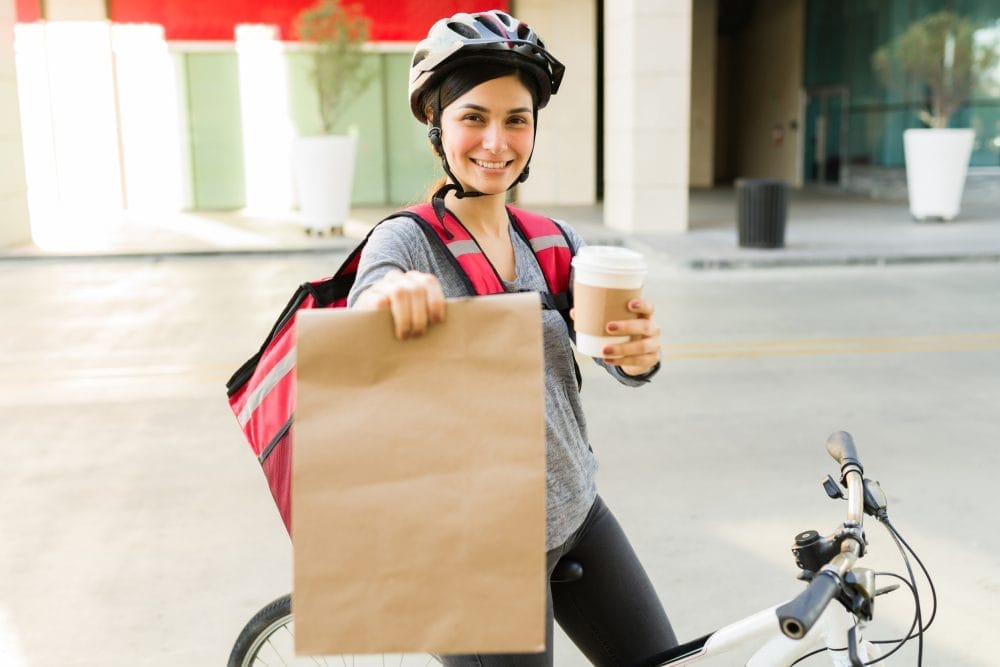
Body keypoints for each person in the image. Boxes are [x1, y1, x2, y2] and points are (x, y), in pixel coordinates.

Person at [348, 10, 678, 666]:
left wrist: (638, 355)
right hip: (476, 547)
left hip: (577, 509)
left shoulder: (554, 240)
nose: (496, 141)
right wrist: (389, 302)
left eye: (516, 119)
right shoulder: (407, 241)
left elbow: (606, 348)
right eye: (473, 116)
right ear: (437, 124)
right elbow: (366, 315)